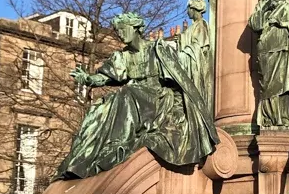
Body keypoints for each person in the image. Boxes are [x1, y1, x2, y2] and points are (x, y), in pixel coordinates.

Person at [60, 11, 218, 179]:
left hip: (160, 99)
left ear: (135, 28)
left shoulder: (156, 49)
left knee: (128, 93)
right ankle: (83, 159)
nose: (120, 34)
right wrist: (88, 79)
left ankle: (118, 143)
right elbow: (106, 77)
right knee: (99, 109)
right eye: (117, 31)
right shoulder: (123, 56)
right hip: (137, 98)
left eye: (123, 29)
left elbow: (179, 79)